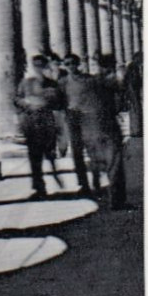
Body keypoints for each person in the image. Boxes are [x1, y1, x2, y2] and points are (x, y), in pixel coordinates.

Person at [14, 54, 65, 199]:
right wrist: (26, 104)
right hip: (32, 122)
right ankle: (39, 187)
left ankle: (55, 176)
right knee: (34, 156)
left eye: (41, 65)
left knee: (50, 153)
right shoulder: (25, 83)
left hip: (48, 121)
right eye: (36, 65)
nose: (38, 68)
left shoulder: (52, 84)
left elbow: (60, 103)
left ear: (45, 66)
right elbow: (17, 99)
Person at [88, 53, 128, 209]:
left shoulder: (91, 81)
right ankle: (117, 201)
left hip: (93, 125)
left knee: (101, 160)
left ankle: (99, 189)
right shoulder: (111, 81)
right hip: (109, 125)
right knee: (115, 164)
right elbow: (120, 101)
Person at [58, 54, 95, 197]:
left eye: (72, 63)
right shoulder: (62, 82)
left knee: (93, 150)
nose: (70, 66)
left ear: (77, 64)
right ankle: (83, 184)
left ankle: (96, 179)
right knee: (77, 152)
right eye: (67, 64)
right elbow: (59, 101)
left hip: (89, 117)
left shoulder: (88, 80)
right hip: (72, 118)